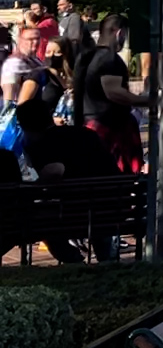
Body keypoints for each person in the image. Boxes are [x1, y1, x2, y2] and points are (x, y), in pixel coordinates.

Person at [15, 97, 124, 262]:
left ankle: (74, 261)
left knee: (43, 226)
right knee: (97, 219)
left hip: (74, 214)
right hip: (111, 207)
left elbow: (55, 170)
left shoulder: (42, 144)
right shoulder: (86, 134)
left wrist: (34, 187)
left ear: (25, 126)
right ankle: (106, 262)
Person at [77, 15, 147, 171]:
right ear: (119, 33)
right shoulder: (109, 58)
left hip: (90, 123)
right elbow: (113, 92)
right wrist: (147, 101)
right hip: (108, 125)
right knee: (115, 175)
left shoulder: (86, 56)